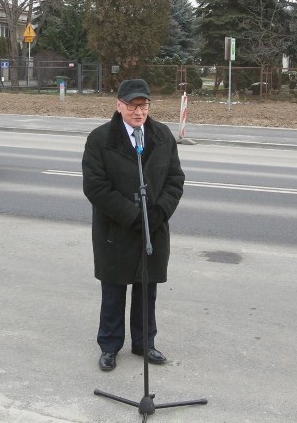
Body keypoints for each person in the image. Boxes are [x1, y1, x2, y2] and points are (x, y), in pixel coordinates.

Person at [82, 79, 185, 372]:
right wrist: (133, 215)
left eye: (144, 105)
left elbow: (175, 180)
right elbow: (96, 187)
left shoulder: (162, 136)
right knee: (113, 291)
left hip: (153, 229)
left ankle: (144, 343)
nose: (139, 112)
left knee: (146, 290)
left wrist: (158, 213)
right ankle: (110, 346)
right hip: (116, 231)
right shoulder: (100, 139)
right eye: (132, 105)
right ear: (119, 105)